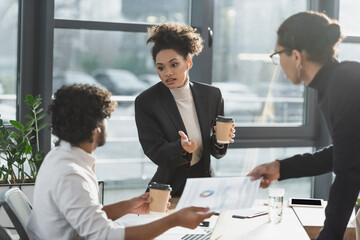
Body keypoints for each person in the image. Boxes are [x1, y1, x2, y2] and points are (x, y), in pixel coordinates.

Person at [26, 84, 213, 240]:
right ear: (96, 127)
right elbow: (105, 236)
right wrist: (174, 220)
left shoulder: (59, 157)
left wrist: (129, 206)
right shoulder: (71, 174)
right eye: (105, 118)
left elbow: (86, 218)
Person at [247, 11, 360, 240]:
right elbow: (345, 154)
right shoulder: (335, 83)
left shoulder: (343, 83)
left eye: (278, 55)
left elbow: (348, 173)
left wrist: (328, 236)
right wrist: (281, 167)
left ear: (297, 56)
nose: (278, 63)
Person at [135, 22, 235, 197]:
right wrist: (181, 148)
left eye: (174, 65)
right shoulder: (147, 101)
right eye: (161, 68)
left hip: (204, 188)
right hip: (167, 190)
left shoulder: (212, 95)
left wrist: (220, 141)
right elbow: (155, 152)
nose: (167, 73)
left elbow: (216, 152)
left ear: (188, 63)